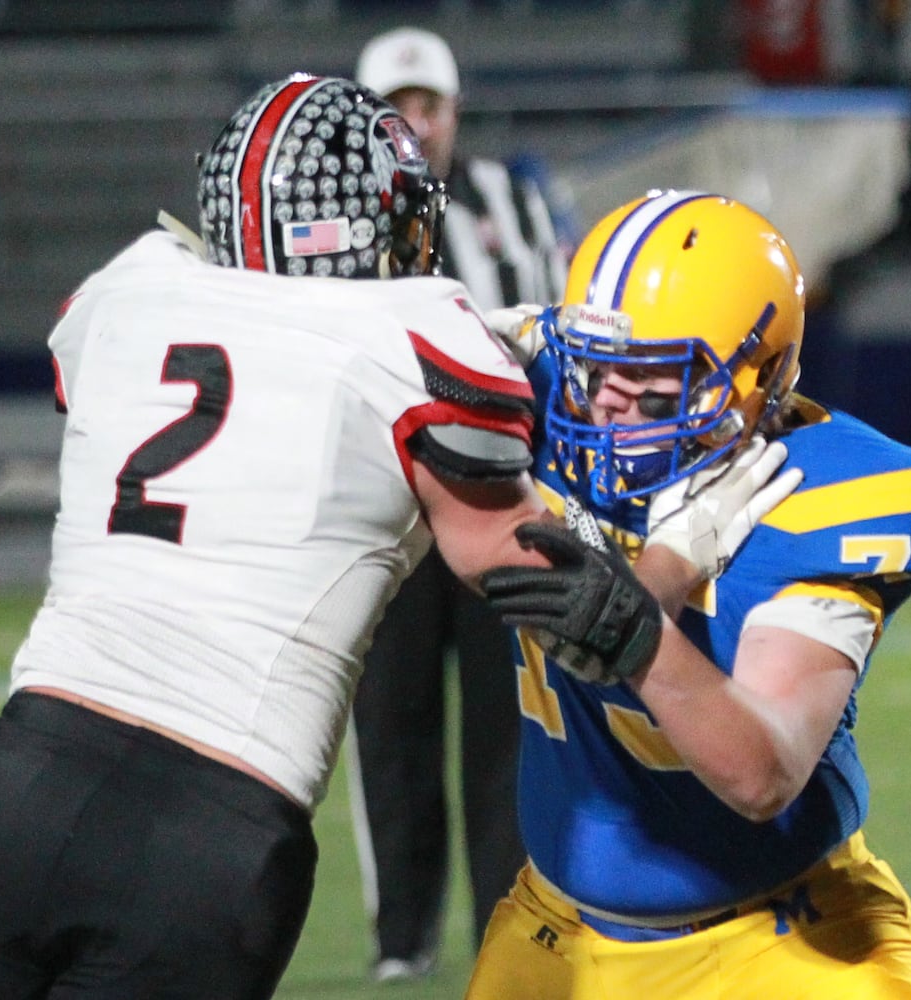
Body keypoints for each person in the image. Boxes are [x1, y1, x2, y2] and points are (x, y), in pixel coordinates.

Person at [0, 73, 584, 1000]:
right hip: (209, 827)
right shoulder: (416, 337)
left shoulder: (132, 285)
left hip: (16, 778)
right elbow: (517, 562)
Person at [471, 189, 911, 999]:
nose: (605, 404)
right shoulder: (535, 386)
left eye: (651, 380)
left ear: (764, 379)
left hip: (775, 942)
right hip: (557, 928)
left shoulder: (812, 498)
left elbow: (763, 773)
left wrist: (636, 628)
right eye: (596, 366)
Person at [346, 25, 569, 982]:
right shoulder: (328, 219)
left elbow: (557, 331)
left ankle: (502, 925)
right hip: (386, 509)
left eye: (428, 104)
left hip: (496, 495)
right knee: (387, 729)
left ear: (454, 109)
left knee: (505, 729)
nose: (415, 124)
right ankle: (401, 940)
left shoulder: (508, 202)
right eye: (395, 108)